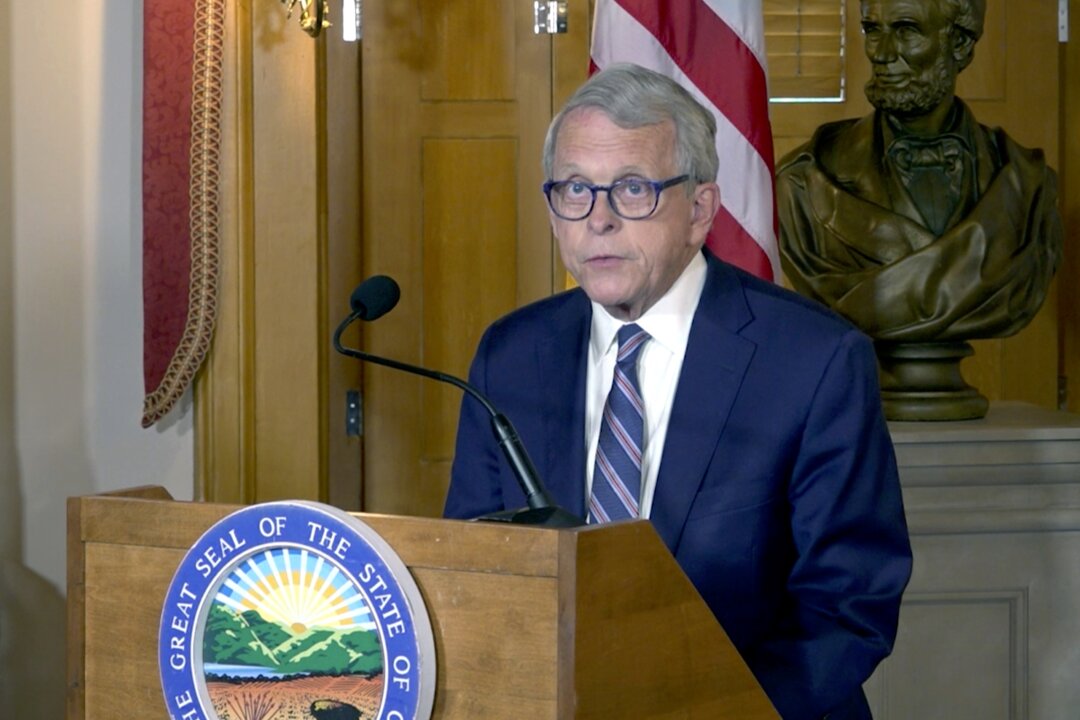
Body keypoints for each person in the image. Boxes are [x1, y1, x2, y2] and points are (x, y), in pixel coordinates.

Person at [444, 63, 911, 720]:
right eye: (576, 190)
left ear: (700, 211)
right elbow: (475, 571)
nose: (597, 220)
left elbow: (848, 606)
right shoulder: (511, 355)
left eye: (632, 190)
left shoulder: (814, 361)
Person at [776, 0, 1061, 342]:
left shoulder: (1028, 187)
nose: (880, 54)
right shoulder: (805, 182)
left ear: (959, 43)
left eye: (907, 30)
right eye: (872, 30)